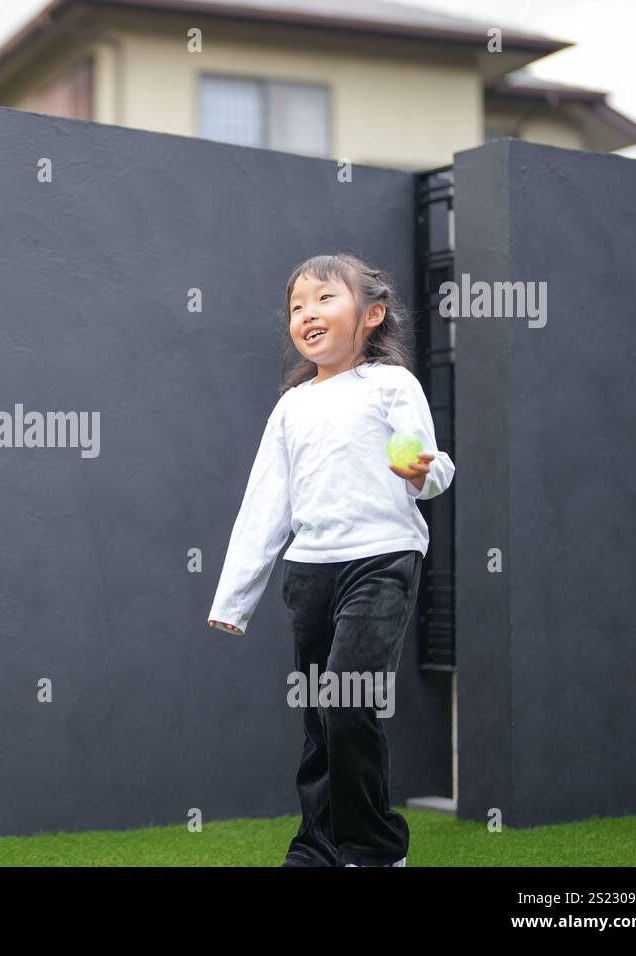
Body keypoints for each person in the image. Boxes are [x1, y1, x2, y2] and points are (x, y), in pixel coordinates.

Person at [206, 253, 456, 867]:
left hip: (381, 560)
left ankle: (374, 849)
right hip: (309, 573)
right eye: (297, 305)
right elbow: (265, 504)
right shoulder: (291, 406)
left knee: (348, 702)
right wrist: (233, 599)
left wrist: (421, 472)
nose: (307, 314)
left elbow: (433, 467)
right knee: (318, 714)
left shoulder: (393, 385)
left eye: (324, 299)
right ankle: (318, 847)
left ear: (371, 314)